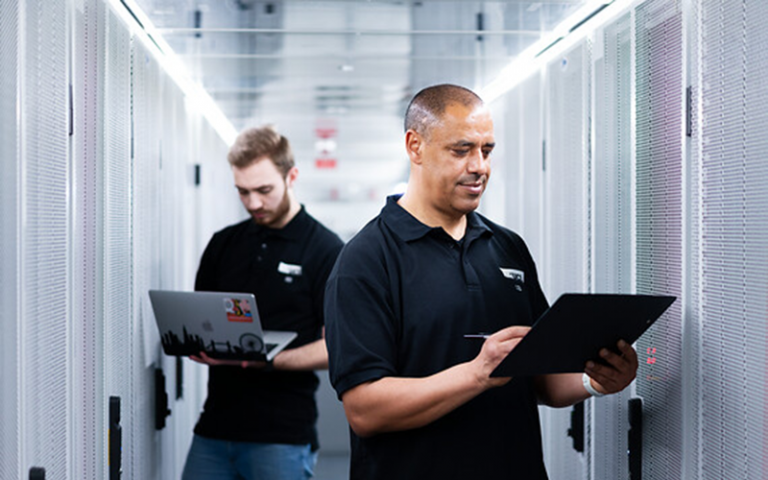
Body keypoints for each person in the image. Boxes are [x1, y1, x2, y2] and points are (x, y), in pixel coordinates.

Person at [324, 84, 638, 479]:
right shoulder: (366, 260)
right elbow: (365, 410)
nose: (479, 166)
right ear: (415, 146)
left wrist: (594, 380)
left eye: (486, 150)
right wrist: (476, 374)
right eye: (461, 150)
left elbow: (539, 380)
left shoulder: (507, 247)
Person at [182, 125, 344, 480]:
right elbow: (201, 319)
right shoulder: (224, 244)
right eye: (243, 192)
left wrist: (267, 361)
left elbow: (340, 347)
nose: (253, 203)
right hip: (214, 430)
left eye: (264, 190)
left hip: (281, 436)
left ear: (292, 176)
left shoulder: (325, 250)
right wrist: (191, 341)